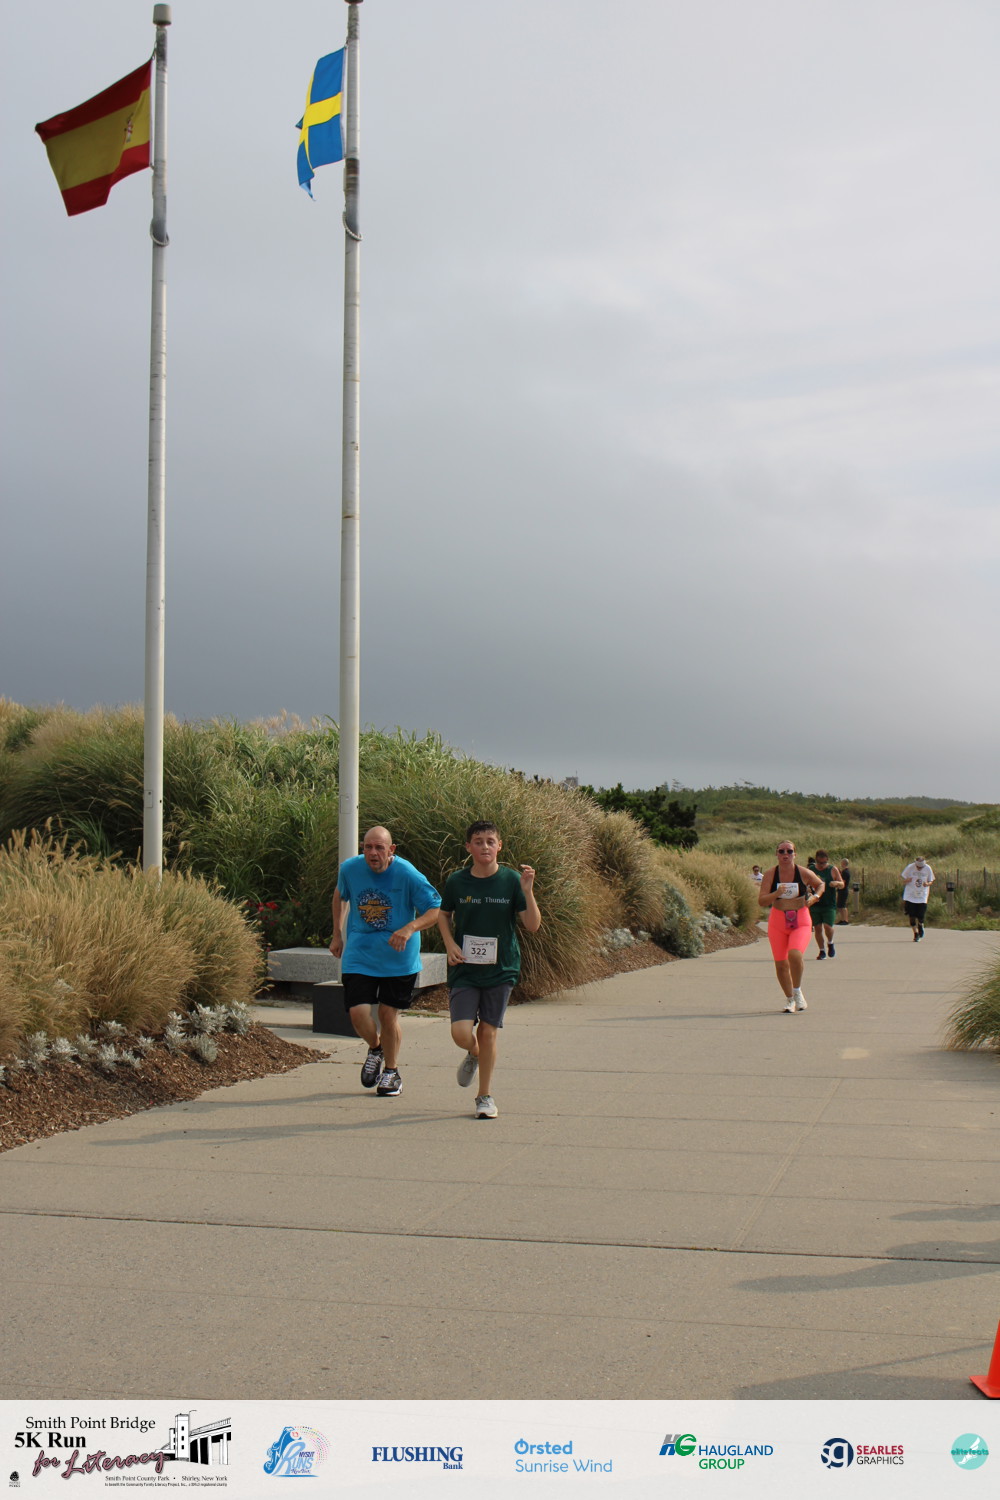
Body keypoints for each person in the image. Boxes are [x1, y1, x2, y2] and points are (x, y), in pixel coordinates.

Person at [436, 820, 541, 1119]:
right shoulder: (457, 881)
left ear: (499, 846)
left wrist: (528, 891)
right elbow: (443, 915)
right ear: (468, 847)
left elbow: (533, 925)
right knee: (460, 1032)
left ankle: (484, 1096)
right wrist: (449, 945)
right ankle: (474, 1052)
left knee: (488, 1031)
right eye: (478, 841)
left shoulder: (511, 880)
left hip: (501, 968)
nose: (485, 846)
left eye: (490, 841)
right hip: (465, 968)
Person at [330, 826, 441, 1096]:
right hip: (361, 952)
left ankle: (392, 1072)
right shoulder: (350, 869)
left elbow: (435, 909)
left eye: (379, 847)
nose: (373, 853)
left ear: (391, 850)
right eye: (368, 847)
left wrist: (409, 928)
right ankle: (376, 1048)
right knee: (357, 1013)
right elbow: (340, 895)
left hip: (398, 957)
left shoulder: (407, 874)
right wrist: (337, 934)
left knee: (387, 1015)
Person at [758, 840, 826, 1013]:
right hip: (778, 922)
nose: (785, 854)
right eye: (781, 851)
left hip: (800, 920)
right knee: (781, 964)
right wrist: (776, 893)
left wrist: (815, 897)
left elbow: (820, 884)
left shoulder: (803, 872)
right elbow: (762, 901)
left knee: (794, 954)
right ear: (776, 854)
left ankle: (797, 991)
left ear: (795, 854)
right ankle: (790, 1000)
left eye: (789, 851)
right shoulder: (770, 874)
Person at [810, 850, 845, 959]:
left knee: (827, 927)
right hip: (815, 903)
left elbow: (842, 884)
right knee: (818, 928)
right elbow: (805, 883)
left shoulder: (832, 869)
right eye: (820, 863)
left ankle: (830, 942)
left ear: (827, 860)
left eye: (824, 863)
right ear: (816, 860)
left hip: (829, 904)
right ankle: (822, 951)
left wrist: (836, 883)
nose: (822, 865)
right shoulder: (811, 870)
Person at [901, 855, 935, 941]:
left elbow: (931, 880)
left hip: (922, 895)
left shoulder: (928, 868)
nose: (919, 869)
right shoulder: (910, 867)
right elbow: (903, 879)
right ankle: (916, 934)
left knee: (920, 916)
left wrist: (927, 884)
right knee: (911, 916)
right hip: (910, 895)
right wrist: (907, 880)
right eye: (918, 867)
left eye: (921, 867)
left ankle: (920, 925)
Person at [836, 856, 851, 924]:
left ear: (844, 863)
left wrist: (838, 884)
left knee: (843, 905)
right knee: (840, 905)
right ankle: (842, 919)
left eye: (842, 863)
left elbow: (843, 882)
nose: (841, 864)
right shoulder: (844, 871)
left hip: (843, 890)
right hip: (841, 890)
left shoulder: (845, 872)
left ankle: (845, 920)